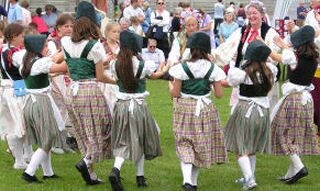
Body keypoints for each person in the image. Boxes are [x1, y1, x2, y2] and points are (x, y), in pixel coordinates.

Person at [60, 1, 114, 185]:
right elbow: (100, 77)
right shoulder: (95, 46)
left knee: (83, 133)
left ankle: (90, 175)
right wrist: (117, 80)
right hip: (89, 91)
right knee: (103, 129)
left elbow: (70, 68)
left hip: (72, 91)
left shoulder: (65, 42)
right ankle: (86, 161)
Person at [107, 30, 166, 191]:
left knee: (125, 139)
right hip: (138, 106)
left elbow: (116, 79)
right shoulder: (143, 65)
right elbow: (154, 76)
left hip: (121, 106)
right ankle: (130, 174)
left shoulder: (115, 64)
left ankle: (124, 172)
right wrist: (165, 68)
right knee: (141, 137)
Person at [168, 32, 227, 191]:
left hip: (185, 108)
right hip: (205, 109)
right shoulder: (213, 69)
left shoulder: (182, 67)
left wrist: (170, 87)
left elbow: (175, 93)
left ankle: (188, 181)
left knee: (185, 143)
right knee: (199, 144)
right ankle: (192, 183)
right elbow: (220, 95)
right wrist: (210, 88)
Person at [224, 40, 277, 190]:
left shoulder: (242, 72)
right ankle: (249, 177)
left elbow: (231, 82)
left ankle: (249, 179)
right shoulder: (270, 70)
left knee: (241, 147)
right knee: (251, 146)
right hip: (263, 112)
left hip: (246, 110)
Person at [270, 25, 319, 184]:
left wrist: (264, 47)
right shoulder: (314, 57)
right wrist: (284, 46)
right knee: (297, 135)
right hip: (306, 100)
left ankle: (299, 167)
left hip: (295, 99)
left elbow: (281, 58)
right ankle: (291, 172)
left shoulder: (294, 56)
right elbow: (288, 54)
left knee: (281, 132)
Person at [214, 2, 281, 113]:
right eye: (249, 13)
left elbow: (274, 56)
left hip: (262, 78)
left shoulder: (270, 32)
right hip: (244, 77)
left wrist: (263, 45)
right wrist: (213, 55)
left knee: (262, 112)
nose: (251, 16)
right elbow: (226, 47)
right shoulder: (242, 31)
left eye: (254, 13)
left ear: (262, 15)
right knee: (241, 111)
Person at [20, 34, 67, 183]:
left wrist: (66, 51)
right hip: (41, 103)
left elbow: (53, 60)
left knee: (45, 138)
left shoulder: (27, 61)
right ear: (37, 48)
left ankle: (48, 172)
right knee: (47, 138)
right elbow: (62, 66)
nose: (48, 48)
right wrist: (75, 55)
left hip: (33, 102)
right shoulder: (39, 63)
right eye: (45, 46)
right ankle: (29, 172)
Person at [0, 23, 34, 170]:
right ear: (13, 37)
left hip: (10, 90)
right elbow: (25, 63)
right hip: (15, 90)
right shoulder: (12, 53)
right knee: (21, 124)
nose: (23, 38)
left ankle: (26, 155)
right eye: (21, 35)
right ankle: (19, 160)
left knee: (20, 124)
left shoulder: (6, 49)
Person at [48, 13, 74, 154]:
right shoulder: (53, 42)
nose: (69, 29)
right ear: (58, 28)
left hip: (69, 78)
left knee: (66, 108)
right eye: (66, 26)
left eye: (71, 26)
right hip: (56, 78)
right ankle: (55, 141)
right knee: (60, 107)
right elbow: (53, 61)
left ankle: (64, 139)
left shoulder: (73, 42)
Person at [304, 0, 320, 136]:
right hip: (315, 63)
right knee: (315, 99)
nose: (311, 1)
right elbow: (307, 35)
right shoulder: (310, 15)